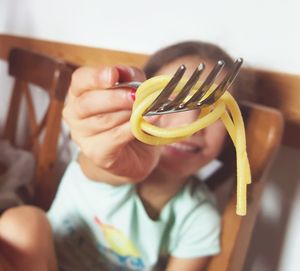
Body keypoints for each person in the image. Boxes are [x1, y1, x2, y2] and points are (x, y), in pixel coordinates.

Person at [0, 41, 251, 271]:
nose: (190, 122)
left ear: (232, 130)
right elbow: (100, 164)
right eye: (171, 99)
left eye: (212, 109)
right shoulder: (111, 159)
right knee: (22, 223)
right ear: (137, 106)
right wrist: (108, 155)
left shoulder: (199, 218)